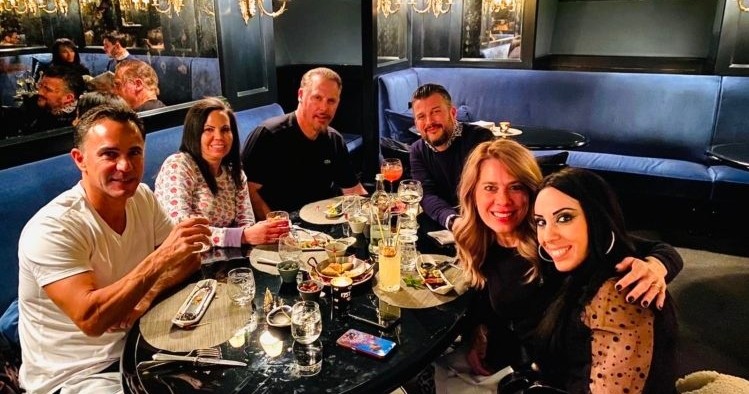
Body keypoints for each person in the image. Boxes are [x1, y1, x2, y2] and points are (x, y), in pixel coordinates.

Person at [442, 139, 682, 391]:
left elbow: (657, 249)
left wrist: (655, 267)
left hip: (571, 367)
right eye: (490, 187)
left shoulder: (550, 236)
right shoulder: (479, 241)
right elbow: (484, 297)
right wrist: (476, 332)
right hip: (522, 363)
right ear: (473, 192)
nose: (503, 200)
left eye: (516, 187)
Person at [16, 104, 211, 393]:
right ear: (80, 159)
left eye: (134, 152)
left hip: (140, 347)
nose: (125, 166)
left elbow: (189, 260)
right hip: (74, 376)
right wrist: (162, 257)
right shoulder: (53, 227)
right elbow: (91, 319)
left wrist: (147, 298)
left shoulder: (142, 197)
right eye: (110, 154)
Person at [533, 167, 678, 393]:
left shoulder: (619, 295)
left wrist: (658, 264)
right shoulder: (582, 267)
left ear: (597, 218)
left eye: (564, 218)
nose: (548, 236)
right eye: (540, 222)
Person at [155, 97, 290, 246]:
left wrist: (254, 234)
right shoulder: (178, 165)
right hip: (185, 259)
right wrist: (241, 236)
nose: (219, 137)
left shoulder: (235, 173)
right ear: (194, 133)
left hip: (228, 258)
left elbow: (246, 222)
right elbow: (181, 229)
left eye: (225, 129)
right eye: (209, 130)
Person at [240, 67, 367, 219]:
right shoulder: (268, 135)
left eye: (331, 101)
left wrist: (379, 208)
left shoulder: (334, 140)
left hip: (323, 226)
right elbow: (247, 191)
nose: (324, 108)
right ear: (300, 95)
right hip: (280, 228)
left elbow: (352, 191)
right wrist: (277, 228)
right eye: (317, 98)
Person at [409, 83, 494, 231]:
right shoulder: (417, 150)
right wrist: (452, 221)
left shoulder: (480, 139)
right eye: (421, 117)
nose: (429, 122)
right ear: (416, 124)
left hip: (483, 222)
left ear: (453, 113)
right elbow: (427, 194)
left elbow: (490, 191)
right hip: (447, 223)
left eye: (435, 112)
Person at [0, 65, 85, 137]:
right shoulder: (32, 102)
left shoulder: (84, 117)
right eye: (40, 85)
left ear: (68, 98)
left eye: (47, 89)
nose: (39, 92)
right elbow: (14, 120)